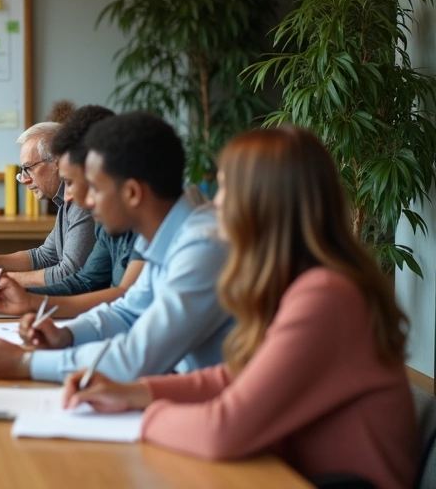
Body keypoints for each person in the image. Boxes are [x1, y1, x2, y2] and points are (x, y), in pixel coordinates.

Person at [64, 127, 416, 489]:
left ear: (263, 203)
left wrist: (143, 415)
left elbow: (221, 430)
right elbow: (236, 377)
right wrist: (134, 393)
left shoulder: (325, 296)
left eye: (227, 188)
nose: (216, 203)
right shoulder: (298, 283)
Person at [0, 112, 233, 383]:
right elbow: (127, 311)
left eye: (94, 187)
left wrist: (27, 362)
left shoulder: (203, 248)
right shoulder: (160, 233)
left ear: (132, 193)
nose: (81, 199)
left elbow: (137, 358)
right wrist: (67, 335)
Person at [0, 105, 144, 319]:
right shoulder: (116, 226)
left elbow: (130, 319)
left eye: (74, 182)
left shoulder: (184, 242)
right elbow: (88, 284)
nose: (69, 198)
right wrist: (27, 300)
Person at [0, 118, 96, 290]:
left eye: (29, 168)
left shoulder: (82, 202)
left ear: (57, 162)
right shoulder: (63, 201)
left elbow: (68, 274)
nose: (24, 179)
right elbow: (44, 257)